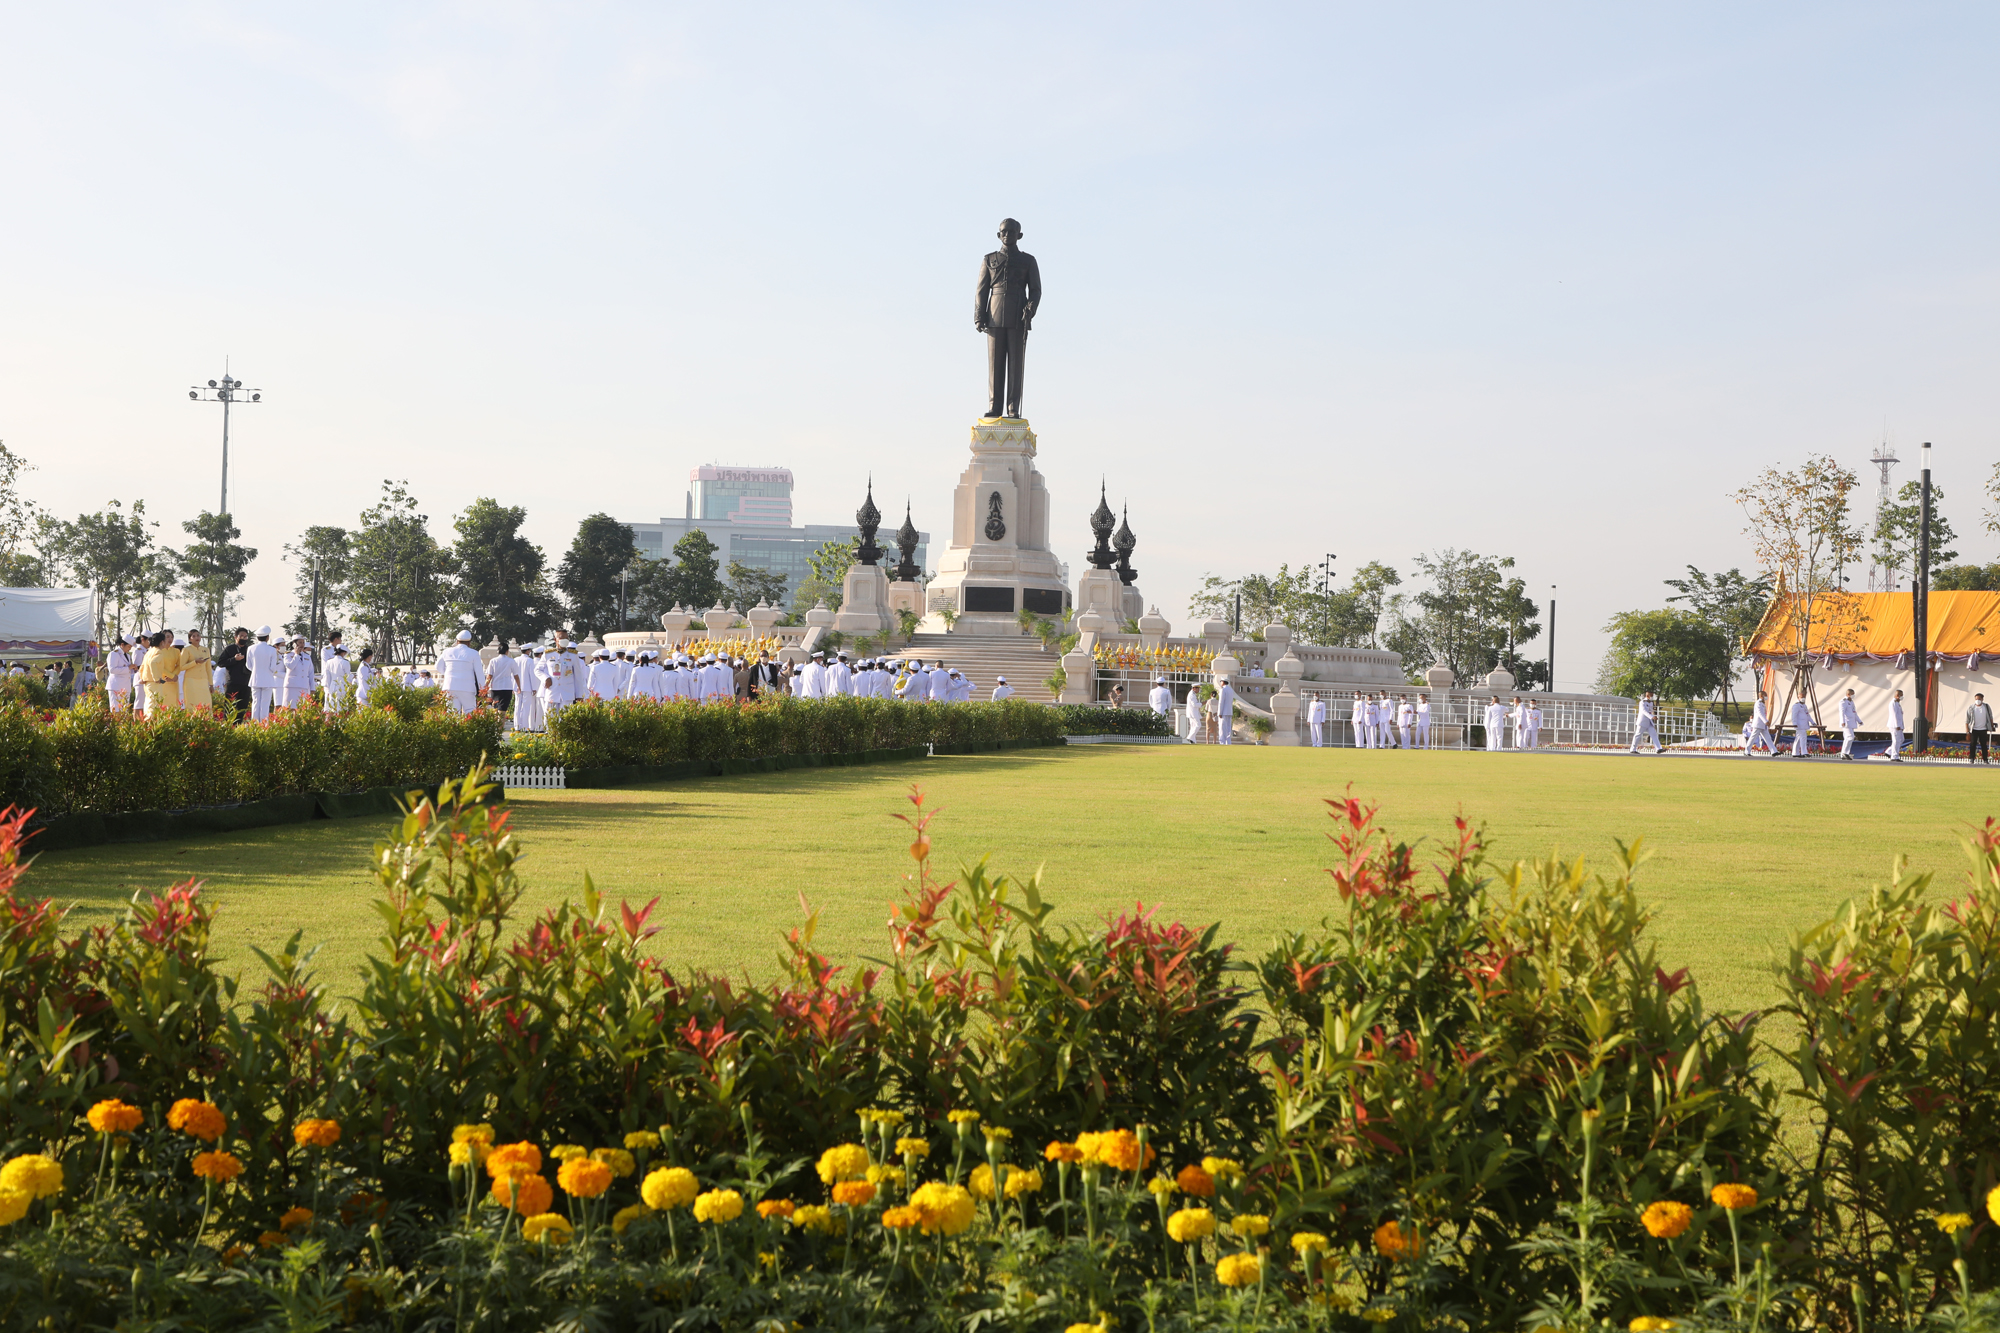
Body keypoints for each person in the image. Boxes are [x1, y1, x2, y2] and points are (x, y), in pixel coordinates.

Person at [437, 629, 483, 714]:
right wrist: (483, 689)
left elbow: (438, 667)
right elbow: (479, 673)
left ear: (457, 641)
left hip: (450, 687)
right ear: (469, 643)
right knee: (469, 712)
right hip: (467, 688)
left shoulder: (447, 651)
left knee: (452, 713)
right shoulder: (474, 653)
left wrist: (447, 674)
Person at [139, 631, 180, 715]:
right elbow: (153, 663)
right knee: (154, 705)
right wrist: (156, 678)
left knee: (149, 703)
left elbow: (142, 666)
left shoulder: (150, 651)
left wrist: (142, 677)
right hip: (154, 682)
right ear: (162, 642)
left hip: (147, 682)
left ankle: (147, 721)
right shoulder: (159, 652)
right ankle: (150, 721)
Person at [248, 626, 279, 721]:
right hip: (267, 680)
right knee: (265, 703)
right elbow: (273, 667)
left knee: (255, 702)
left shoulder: (251, 648)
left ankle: (254, 723)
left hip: (255, 679)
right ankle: (264, 724)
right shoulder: (272, 650)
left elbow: (248, 665)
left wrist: (256, 670)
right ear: (267, 638)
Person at [218, 628, 251, 719]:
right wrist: (234, 659)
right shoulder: (230, 649)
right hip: (233, 681)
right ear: (236, 637)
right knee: (229, 705)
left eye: (245, 636)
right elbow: (221, 662)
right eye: (241, 636)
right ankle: (227, 724)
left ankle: (238, 724)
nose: (244, 638)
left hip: (246, 682)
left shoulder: (249, 649)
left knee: (242, 706)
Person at [179, 629, 213, 714]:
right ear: (189, 639)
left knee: (206, 702)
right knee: (192, 703)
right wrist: (195, 662)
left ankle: (207, 721)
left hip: (203, 680)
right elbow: (181, 667)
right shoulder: (186, 650)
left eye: (198, 635)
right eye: (193, 636)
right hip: (191, 681)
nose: (196, 637)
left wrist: (211, 684)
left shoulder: (206, 650)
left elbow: (208, 668)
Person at [487, 643, 518, 720]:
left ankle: (495, 725)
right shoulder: (511, 661)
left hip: (495, 687)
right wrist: (519, 686)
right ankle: (500, 726)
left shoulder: (493, 661)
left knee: (495, 709)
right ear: (507, 651)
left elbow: (489, 676)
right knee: (502, 711)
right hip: (506, 687)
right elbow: (516, 675)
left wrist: (485, 686)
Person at [323, 644, 353, 711]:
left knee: (331, 708)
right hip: (342, 688)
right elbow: (348, 677)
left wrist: (328, 689)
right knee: (341, 709)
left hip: (332, 687)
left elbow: (327, 677)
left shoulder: (329, 662)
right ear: (343, 653)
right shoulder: (345, 662)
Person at [1969, 693, 1994, 765]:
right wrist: (1967, 729)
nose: (1977, 700)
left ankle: (1985, 759)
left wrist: (1991, 725)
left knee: (1983, 745)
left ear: (1982, 699)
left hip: (1983, 729)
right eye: (1976, 699)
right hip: (1974, 729)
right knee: (1973, 744)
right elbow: (1967, 719)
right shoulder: (1971, 707)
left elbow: (1990, 717)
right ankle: (1972, 759)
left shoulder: (1986, 707)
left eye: (1979, 699)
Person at [1838, 688, 1862, 761]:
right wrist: (1842, 721)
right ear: (1848, 694)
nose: (1853, 696)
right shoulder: (1843, 702)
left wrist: (1859, 721)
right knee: (1850, 737)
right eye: (1852, 694)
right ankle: (1844, 753)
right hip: (1846, 722)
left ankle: (1845, 753)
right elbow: (1842, 712)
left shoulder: (1851, 702)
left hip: (1852, 722)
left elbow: (1854, 713)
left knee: (1847, 738)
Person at [1215, 677, 1236, 745]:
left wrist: (1220, 712)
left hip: (1224, 711)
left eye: (1221, 681)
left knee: (1222, 728)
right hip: (1229, 711)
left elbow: (1221, 702)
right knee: (1228, 728)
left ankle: (1222, 742)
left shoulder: (1223, 690)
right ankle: (1228, 742)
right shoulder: (1230, 690)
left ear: (1223, 682)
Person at [1887, 688, 1906, 762]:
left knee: (1901, 739)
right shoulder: (1893, 703)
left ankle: (1889, 751)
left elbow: (1900, 716)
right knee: (1896, 740)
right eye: (1901, 695)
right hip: (1894, 725)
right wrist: (1897, 725)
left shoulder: (1897, 703)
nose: (1902, 697)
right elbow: (1894, 715)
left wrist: (1902, 726)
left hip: (1899, 725)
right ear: (1897, 696)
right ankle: (1894, 756)